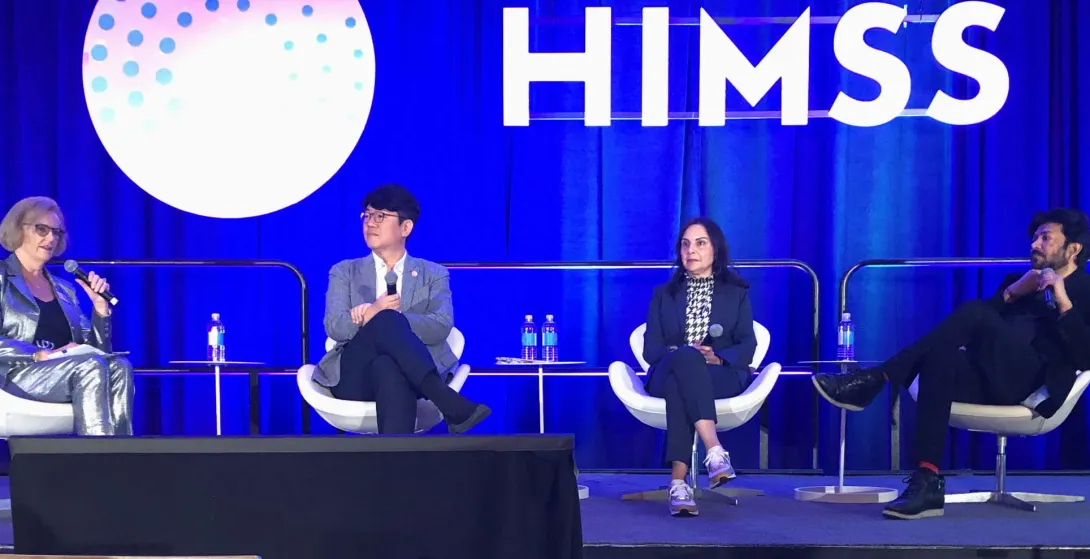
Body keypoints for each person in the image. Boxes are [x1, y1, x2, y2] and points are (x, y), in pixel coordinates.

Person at [814, 208, 1090, 520]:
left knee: (973, 310)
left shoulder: (1086, 291)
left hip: (1032, 382)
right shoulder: (1019, 283)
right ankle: (927, 481)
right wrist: (1012, 293)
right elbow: (973, 333)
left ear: (1073, 249)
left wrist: (1063, 300)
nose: (1034, 245)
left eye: (1045, 238)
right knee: (938, 356)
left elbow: (1084, 357)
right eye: (1034, 238)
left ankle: (876, 379)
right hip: (988, 377)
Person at [316, 184, 490, 434]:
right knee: (385, 320)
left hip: (409, 374)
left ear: (406, 227)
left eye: (380, 216)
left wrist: (391, 319)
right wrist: (374, 313)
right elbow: (334, 325)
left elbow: (441, 325)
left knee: (389, 366)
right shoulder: (344, 271)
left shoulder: (433, 274)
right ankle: (446, 399)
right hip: (354, 376)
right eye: (367, 215)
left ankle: (395, 464)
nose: (370, 223)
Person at [642, 217, 757, 517]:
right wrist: (684, 353)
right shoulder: (663, 295)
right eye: (685, 244)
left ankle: (677, 483)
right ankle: (715, 451)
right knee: (685, 360)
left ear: (715, 250)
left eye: (700, 243)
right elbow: (650, 350)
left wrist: (718, 358)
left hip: (718, 374)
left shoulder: (737, 292)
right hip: (667, 368)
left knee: (678, 386)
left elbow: (748, 345)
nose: (690, 250)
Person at [0, 196, 134, 436]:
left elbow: (97, 353)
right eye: (41, 229)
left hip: (65, 371)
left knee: (119, 367)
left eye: (56, 232)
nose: (50, 238)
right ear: (18, 228)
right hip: (15, 374)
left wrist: (100, 310)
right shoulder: (2, 277)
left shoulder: (64, 289)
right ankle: (98, 464)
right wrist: (37, 354)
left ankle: (122, 458)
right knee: (90, 367)